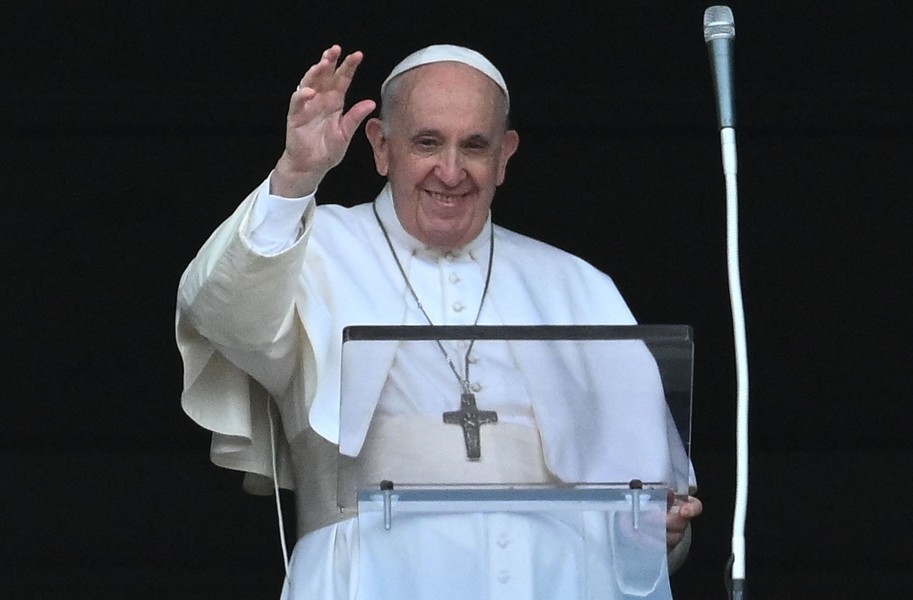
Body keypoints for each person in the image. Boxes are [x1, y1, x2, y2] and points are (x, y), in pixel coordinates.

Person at [176, 43, 703, 599]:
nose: (450, 172)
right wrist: (296, 175)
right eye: (427, 142)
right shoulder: (308, 250)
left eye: (474, 146)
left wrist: (658, 531)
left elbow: (649, 527)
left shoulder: (576, 287)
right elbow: (218, 310)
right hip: (369, 582)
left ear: (505, 155)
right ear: (381, 146)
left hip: (557, 582)